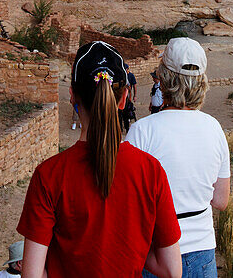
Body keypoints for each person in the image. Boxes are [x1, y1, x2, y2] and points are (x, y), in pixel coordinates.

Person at [18, 40, 182, 278]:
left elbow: (32, 275)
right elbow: (172, 270)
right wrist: (133, 244)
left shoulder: (49, 175)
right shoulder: (150, 170)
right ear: (124, 98)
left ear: (73, 97)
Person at [127, 38, 230, 278]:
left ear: (163, 78)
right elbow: (221, 200)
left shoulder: (142, 131)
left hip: (156, 251)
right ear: (201, 82)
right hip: (202, 250)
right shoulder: (214, 128)